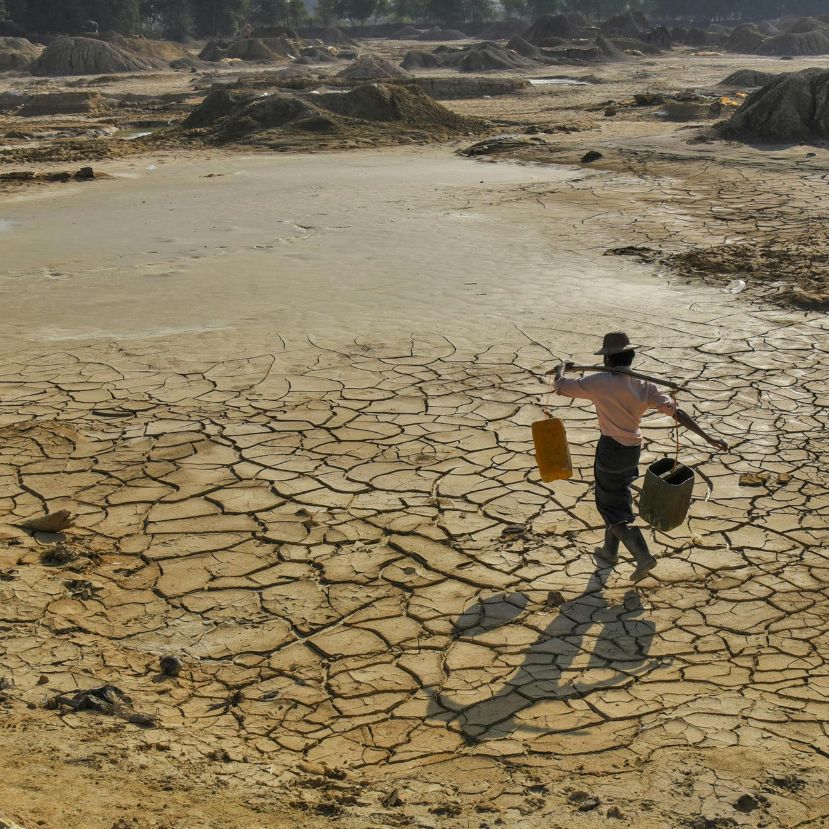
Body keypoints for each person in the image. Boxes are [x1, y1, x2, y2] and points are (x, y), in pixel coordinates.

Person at [553, 331, 728, 582]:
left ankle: (642, 555)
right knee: (617, 495)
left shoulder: (599, 382)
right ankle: (609, 552)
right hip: (632, 450)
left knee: (608, 503)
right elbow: (676, 412)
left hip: (611, 448)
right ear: (630, 357)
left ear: (607, 360)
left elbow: (561, 388)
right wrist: (708, 437)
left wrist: (561, 369)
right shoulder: (645, 385)